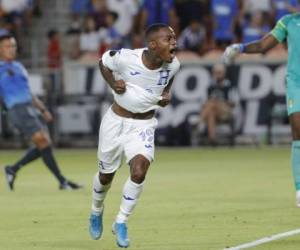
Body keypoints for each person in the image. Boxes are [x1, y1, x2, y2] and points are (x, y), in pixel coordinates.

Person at [89, 23, 180, 248]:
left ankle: (121, 221)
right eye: (168, 40)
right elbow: (103, 62)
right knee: (105, 176)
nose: (174, 43)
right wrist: (113, 83)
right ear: (152, 44)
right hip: (115, 123)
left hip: (144, 126)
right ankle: (96, 210)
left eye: (174, 39)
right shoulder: (127, 58)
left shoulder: (174, 65)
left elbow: (166, 85)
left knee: (139, 172)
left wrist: (166, 96)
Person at [222, 12, 300, 207]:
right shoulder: (288, 21)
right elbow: (264, 45)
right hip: (296, 84)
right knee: (298, 132)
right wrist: (240, 48)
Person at [0, 34, 82, 191]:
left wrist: (42, 109)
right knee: (43, 140)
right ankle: (62, 182)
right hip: (16, 110)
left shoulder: (19, 67)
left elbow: (28, 92)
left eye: (13, 46)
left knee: (44, 144)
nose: (11, 49)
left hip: (30, 108)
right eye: (7, 46)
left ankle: (13, 169)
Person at [199, 63, 239, 145]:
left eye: (220, 73)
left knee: (212, 104)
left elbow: (234, 103)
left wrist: (220, 102)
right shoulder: (209, 87)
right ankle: (212, 140)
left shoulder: (230, 86)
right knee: (211, 111)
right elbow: (203, 103)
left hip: (226, 111)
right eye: (216, 73)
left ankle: (199, 122)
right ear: (213, 73)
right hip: (213, 111)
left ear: (224, 73)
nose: (218, 75)